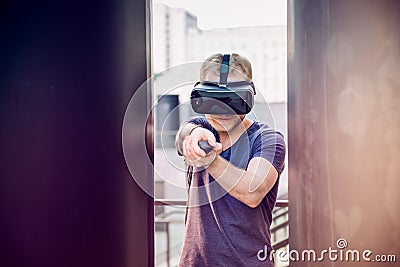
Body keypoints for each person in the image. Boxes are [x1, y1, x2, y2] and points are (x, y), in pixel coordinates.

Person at [175, 53, 286, 266]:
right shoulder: (199, 127)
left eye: (234, 99)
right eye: (213, 99)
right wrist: (195, 135)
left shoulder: (268, 140)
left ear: (249, 97)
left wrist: (210, 160)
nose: (224, 110)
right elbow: (185, 132)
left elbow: (252, 192)